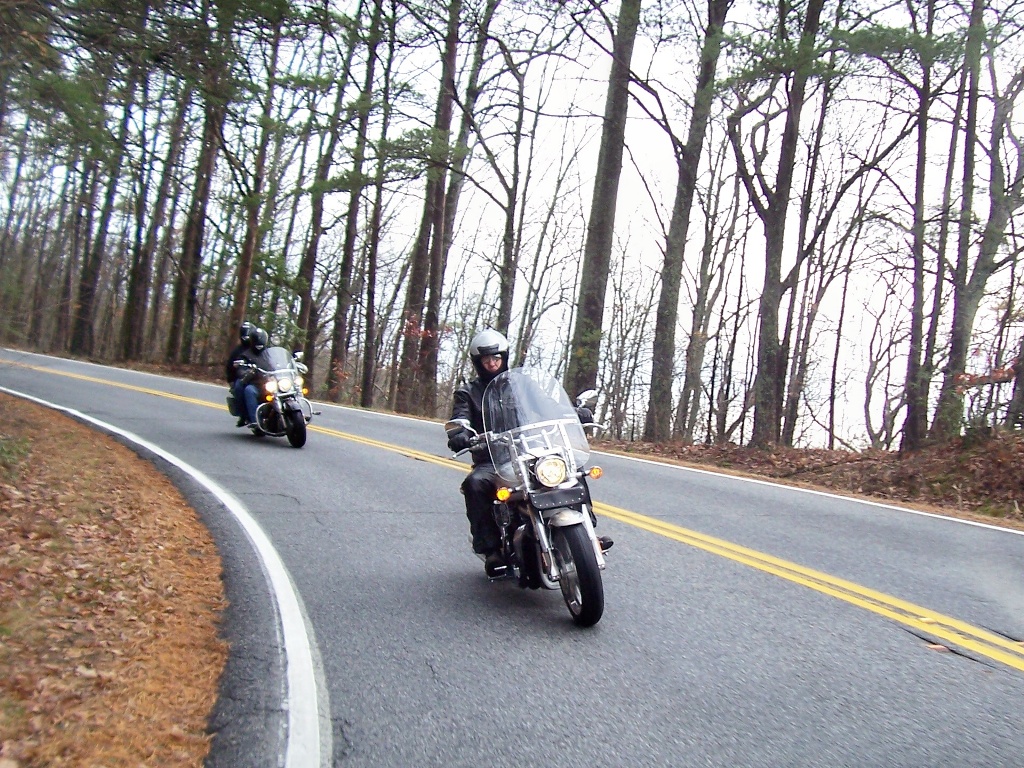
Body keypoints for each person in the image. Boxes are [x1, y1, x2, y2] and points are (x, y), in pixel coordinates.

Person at [446, 329, 611, 577]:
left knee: (570, 468)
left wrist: (574, 413)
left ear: (504, 357)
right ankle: (491, 550)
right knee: (475, 483)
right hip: (493, 459)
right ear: (478, 363)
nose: (492, 363)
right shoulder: (468, 392)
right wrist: (460, 433)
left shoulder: (522, 385)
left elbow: (549, 406)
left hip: (531, 449)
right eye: (486, 359)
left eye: (496, 358)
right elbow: (460, 416)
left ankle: (588, 534)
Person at [225, 323, 268, 427]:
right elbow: (231, 367)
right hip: (250, 380)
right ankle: (247, 415)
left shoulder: (268, 352)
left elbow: (276, 361)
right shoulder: (242, 353)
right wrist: (234, 377)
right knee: (241, 387)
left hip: (267, 380)